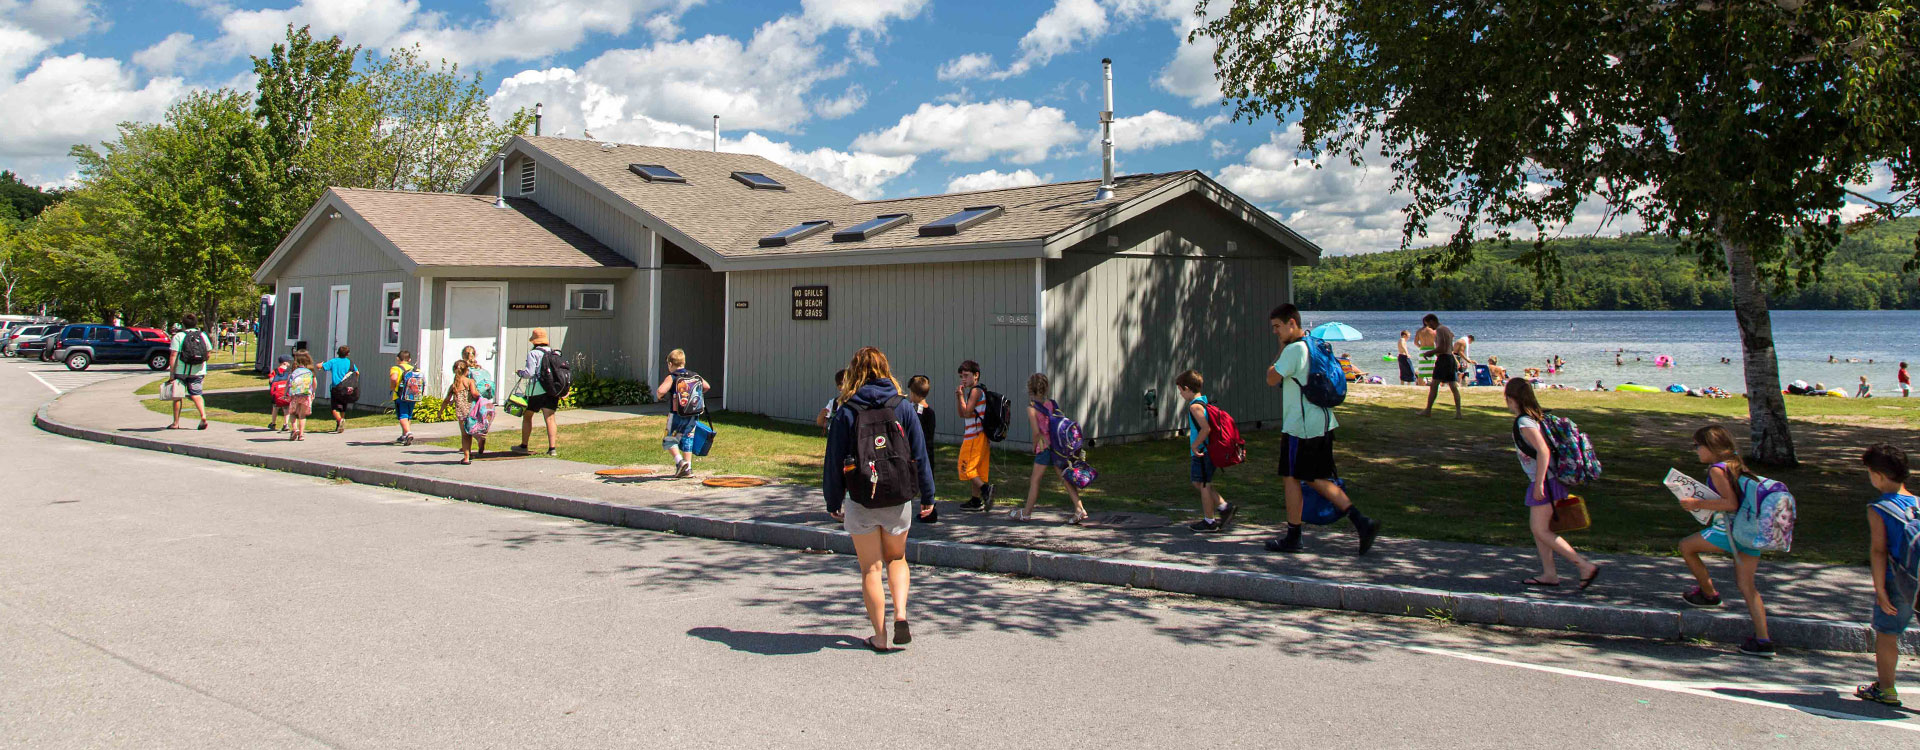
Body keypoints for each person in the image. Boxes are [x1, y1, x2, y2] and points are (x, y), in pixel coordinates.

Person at [822, 346, 936, 652]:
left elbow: (832, 460)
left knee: (870, 568)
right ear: (885, 370)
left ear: (854, 372)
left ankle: (881, 636)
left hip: (861, 498)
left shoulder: (846, 409)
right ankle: (900, 613)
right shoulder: (902, 406)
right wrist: (928, 494)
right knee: (897, 559)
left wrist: (833, 500)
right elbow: (920, 453)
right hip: (898, 496)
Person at [1265, 304, 1381, 555]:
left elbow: (1271, 378)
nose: (1275, 332)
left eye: (1277, 327)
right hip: (1323, 422)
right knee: (1311, 477)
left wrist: (1280, 351)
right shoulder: (1313, 344)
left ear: (1291, 323)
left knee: (1295, 478)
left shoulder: (1294, 350)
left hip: (1301, 427)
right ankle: (1360, 522)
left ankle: (1298, 535)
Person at [1676, 425, 1774, 658]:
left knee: (1687, 547)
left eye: (1697, 446)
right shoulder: (1737, 465)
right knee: (1748, 587)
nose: (1696, 451)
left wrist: (1695, 503)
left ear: (1710, 447)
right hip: (1749, 533)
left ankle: (1709, 594)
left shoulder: (1716, 470)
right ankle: (1763, 640)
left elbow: (1730, 503)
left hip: (1728, 530)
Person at [1505, 378, 1602, 588]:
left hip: (1545, 482)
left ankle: (1583, 566)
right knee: (1539, 530)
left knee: (1540, 531)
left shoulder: (1524, 422)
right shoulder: (1535, 417)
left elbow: (1543, 450)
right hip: (1548, 480)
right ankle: (1549, 574)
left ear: (1511, 398)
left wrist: (1539, 483)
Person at [1858, 443, 1916, 706]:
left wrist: (1880, 590)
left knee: (1887, 633)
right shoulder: (1917, 503)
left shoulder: (1879, 507)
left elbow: (1879, 551)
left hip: (1897, 580)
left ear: (1878, 475)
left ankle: (1886, 688)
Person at [1012, 373, 1090, 524]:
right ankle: (1079, 508)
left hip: (1044, 448)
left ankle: (1026, 513)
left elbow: (1036, 433)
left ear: (1030, 389)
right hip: (1058, 448)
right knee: (1065, 478)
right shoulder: (1052, 404)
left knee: (1035, 480)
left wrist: (1034, 446)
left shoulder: (1032, 408)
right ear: (1046, 388)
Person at [1177, 370, 1236, 533]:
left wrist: (1195, 445)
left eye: (1181, 391)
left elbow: (1206, 429)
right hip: (1207, 451)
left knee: (1203, 484)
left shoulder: (1195, 406)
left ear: (1187, 388)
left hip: (1202, 452)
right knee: (1201, 482)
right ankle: (1224, 507)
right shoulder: (1203, 402)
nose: (1181, 394)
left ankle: (1209, 521)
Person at [654, 349, 707, 477]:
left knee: (669, 439)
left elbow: (660, 391)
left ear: (671, 364)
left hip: (676, 413)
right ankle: (688, 468)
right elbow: (706, 386)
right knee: (688, 438)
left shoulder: (672, 377)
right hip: (693, 414)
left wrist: (660, 396)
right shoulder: (694, 375)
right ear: (683, 362)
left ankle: (680, 462)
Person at [513, 329, 560, 456]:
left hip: (536, 389)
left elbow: (529, 373)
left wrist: (520, 373)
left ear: (534, 341)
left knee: (528, 416)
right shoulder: (554, 353)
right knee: (550, 418)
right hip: (552, 389)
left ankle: (524, 445)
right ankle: (552, 448)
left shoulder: (533, 353)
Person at [956, 360, 993, 512]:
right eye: (961, 377)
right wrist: (960, 397)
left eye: (966, 375)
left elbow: (967, 411)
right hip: (981, 436)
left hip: (974, 436)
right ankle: (976, 500)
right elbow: (962, 414)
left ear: (976, 375)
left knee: (965, 467)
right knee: (977, 469)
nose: (963, 379)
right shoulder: (975, 391)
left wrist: (961, 397)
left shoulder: (976, 391)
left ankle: (986, 489)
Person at [166, 314, 213, 430]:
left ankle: (176, 422)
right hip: (198, 370)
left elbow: (173, 355)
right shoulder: (202, 335)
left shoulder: (178, 336)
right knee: (197, 394)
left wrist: (172, 373)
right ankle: (203, 416)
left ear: (183, 324)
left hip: (181, 370)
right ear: (196, 323)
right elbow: (208, 353)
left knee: (177, 396)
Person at [1417, 314, 1461, 417]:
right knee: (1453, 386)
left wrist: (1430, 352)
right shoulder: (1446, 329)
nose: (1429, 327)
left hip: (1443, 359)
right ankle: (1458, 412)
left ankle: (1428, 411)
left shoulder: (1440, 330)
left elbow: (1441, 348)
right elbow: (1449, 344)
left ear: (1432, 321)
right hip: (1450, 358)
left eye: (1428, 324)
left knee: (1434, 385)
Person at [447, 360, 489, 464]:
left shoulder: (454, 385)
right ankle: (479, 438)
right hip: (472, 411)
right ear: (467, 371)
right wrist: (480, 396)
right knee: (472, 430)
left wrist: (441, 411)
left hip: (461, 413)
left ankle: (466, 458)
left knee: (465, 435)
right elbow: (474, 393)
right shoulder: (470, 381)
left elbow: (447, 399)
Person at [321, 345, 356, 434]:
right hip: (347, 388)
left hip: (336, 387)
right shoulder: (350, 362)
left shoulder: (334, 361)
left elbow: (322, 367)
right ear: (348, 354)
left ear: (338, 353)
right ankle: (340, 424)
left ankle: (339, 420)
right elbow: (357, 372)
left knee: (334, 408)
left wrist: (320, 364)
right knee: (343, 407)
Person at [390, 350, 419, 445]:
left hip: (400, 395)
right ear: (409, 359)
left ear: (398, 359)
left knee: (402, 415)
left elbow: (394, 378)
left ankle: (408, 433)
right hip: (412, 395)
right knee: (408, 415)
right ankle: (404, 435)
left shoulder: (395, 368)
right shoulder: (415, 369)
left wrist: (393, 387)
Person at [287, 351, 317, 441]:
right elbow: (315, 383)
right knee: (302, 415)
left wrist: (286, 393)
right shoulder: (310, 371)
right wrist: (313, 392)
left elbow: (288, 383)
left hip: (295, 395)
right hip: (306, 395)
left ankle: (295, 429)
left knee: (292, 413)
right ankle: (301, 434)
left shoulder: (294, 370)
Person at [266, 355, 292, 431]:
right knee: (286, 408)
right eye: (288, 362)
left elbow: (271, 380)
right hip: (286, 393)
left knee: (275, 408)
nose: (289, 363)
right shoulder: (289, 372)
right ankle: (286, 424)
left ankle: (273, 423)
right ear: (285, 363)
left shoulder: (275, 371)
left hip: (276, 394)